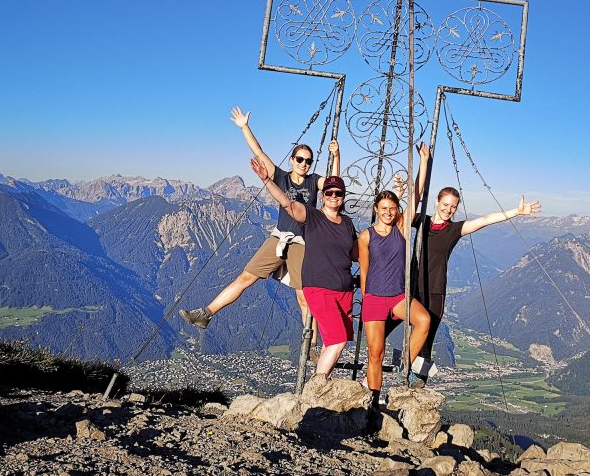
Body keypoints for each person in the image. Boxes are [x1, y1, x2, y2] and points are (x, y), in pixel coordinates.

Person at [179, 106, 339, 347]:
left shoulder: (314, 181)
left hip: (302, 243)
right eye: (300, 159)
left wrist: (336, 156)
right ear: (292, 160)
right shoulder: (281, 176)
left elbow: (335, 185)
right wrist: (244, 127)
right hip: (279, 238)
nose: (304, 164)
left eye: (308, 161)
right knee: (245, 277)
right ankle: (205, 314)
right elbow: (258, 151)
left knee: (304, 298)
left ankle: (312, 347)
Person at [411, 187, 541, 384]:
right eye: (445, 204)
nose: (448, 210)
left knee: (427, 337)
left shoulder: (454, 230)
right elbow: (400, 216)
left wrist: (516, 212)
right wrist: (402, 191)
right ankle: (395, 369)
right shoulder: (422, 221)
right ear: (437, 202)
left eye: (453, 207)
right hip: (413, 287)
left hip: (435, 290)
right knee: (407, 328)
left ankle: (418, 378)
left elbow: (486, 219)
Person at [251, 157, 357, 377]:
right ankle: (316, 386)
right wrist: (267, 180)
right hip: (319, 288)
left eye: (338, 193)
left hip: (344, 290)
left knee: (336, 342)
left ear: (343, 197)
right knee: (337, 341)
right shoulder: (312, 216)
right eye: (329, 192)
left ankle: (321, 384)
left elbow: (356, 253)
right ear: (322, 196)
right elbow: (287, 204)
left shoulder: (347, 223)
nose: (333, 196)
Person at [357, 144, 430, 409]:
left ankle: (404, 365)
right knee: (375, 354)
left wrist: (424, 162)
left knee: (423, 320)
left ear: (397, 209)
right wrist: (366, 297)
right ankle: (373, 403)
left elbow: (417, 195)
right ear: (376, 209)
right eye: (384, 208)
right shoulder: (366, 236)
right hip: (375, 297)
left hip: (398, 296)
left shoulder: (401, 228)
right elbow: (364, 269)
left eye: (392, 208)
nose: (388, 212)